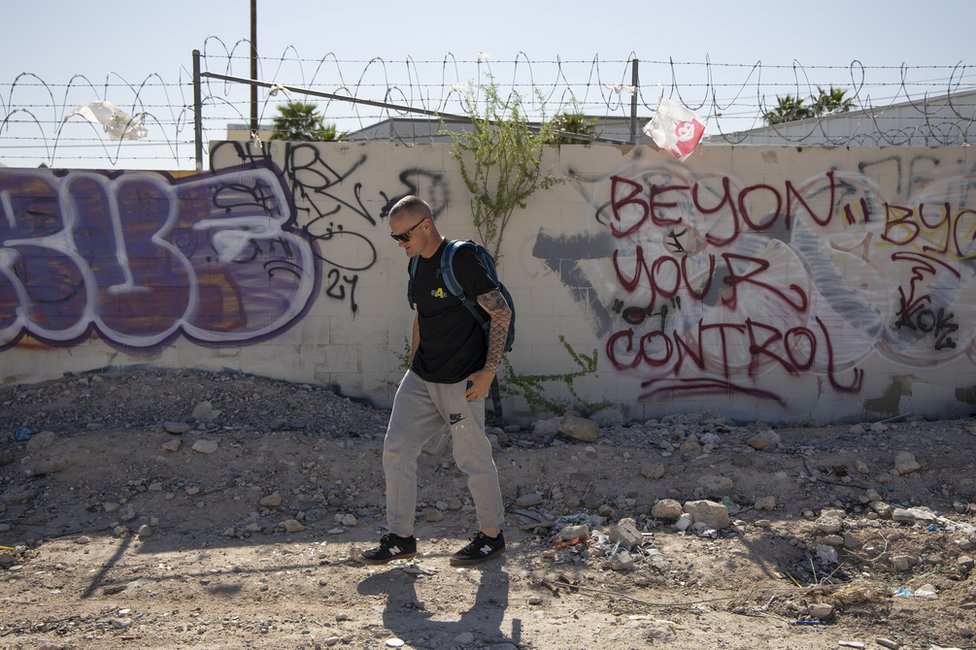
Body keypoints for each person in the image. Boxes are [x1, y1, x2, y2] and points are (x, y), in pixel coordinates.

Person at [360, 195, 511, 567]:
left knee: (473, 459)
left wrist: (488, 373)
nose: (400, 244)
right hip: (422, 378)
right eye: (395, 238)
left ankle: (492, 537)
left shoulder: (460, 259)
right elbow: (420, 317)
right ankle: (401, 538)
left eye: (403, 236)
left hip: (461, 382)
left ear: (425, 225)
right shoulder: (416, 265)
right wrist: (414, 367)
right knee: (396, 449)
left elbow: (500, 312)